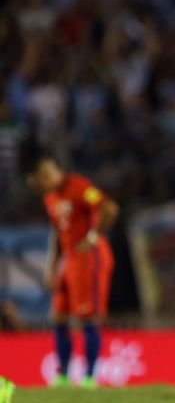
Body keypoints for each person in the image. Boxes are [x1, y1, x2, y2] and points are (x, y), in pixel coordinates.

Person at [22, 153, 119, 389]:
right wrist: (51, 267)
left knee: (88, 317)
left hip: (89, 257)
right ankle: (64, 376)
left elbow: (110, 208)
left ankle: (90, 377)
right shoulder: (50, 198)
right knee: (59, 317)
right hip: (68, 260)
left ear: (57, 170)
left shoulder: (79, 186)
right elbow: (57, 234)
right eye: (42, 178)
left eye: (49, 173)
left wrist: (94, 236)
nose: (47, 180)